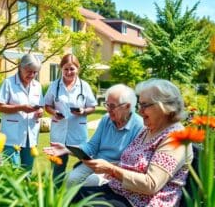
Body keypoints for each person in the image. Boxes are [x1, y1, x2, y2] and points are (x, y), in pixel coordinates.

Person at [71, 78, 193, 207]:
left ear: (164, 107)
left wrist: (111, 170)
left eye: (145, 105)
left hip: (142, 202)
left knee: (83, 203)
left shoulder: (176, 138)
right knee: (73, 194)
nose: (139, 111)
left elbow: (151, 184)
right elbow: (133, 164)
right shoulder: (148, 130)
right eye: (140, 105)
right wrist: (109, 166)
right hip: (121, 192)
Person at [44, 84, 143, 187]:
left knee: (92, 181)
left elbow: (134, 161)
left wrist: (113, 168)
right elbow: (92, 146)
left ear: (127, 106)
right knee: (70, 179)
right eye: (107, 105)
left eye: (112, 106)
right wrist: (67, 150)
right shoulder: (106, 119)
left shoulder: (139, 126)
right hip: (96, 161)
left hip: (117, 167)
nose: (108, 110)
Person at [44, 54, 97, 183]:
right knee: (57, 169)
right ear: (61, 69)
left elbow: (93, 107)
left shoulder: (84, 86)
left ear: (77, 69)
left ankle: (78, 193)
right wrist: (54, 112)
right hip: (59, 133)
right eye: (66, 69)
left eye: (72, 69)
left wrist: (84, 111)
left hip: (78, 133)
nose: (69, 72)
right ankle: (56, 196)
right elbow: (47, 105)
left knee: (83, 166)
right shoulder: (54, 86)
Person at [0, 54, 44, 171]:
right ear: (20, 67)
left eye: (35, 72)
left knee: (27, 171)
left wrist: (40, 111)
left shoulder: (37, 86)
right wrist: (20, 107)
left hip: (31, 135)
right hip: (12, 135)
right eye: (29, 71)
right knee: (13, 171)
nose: (32, 75)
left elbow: (41, 105)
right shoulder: (8, 83)